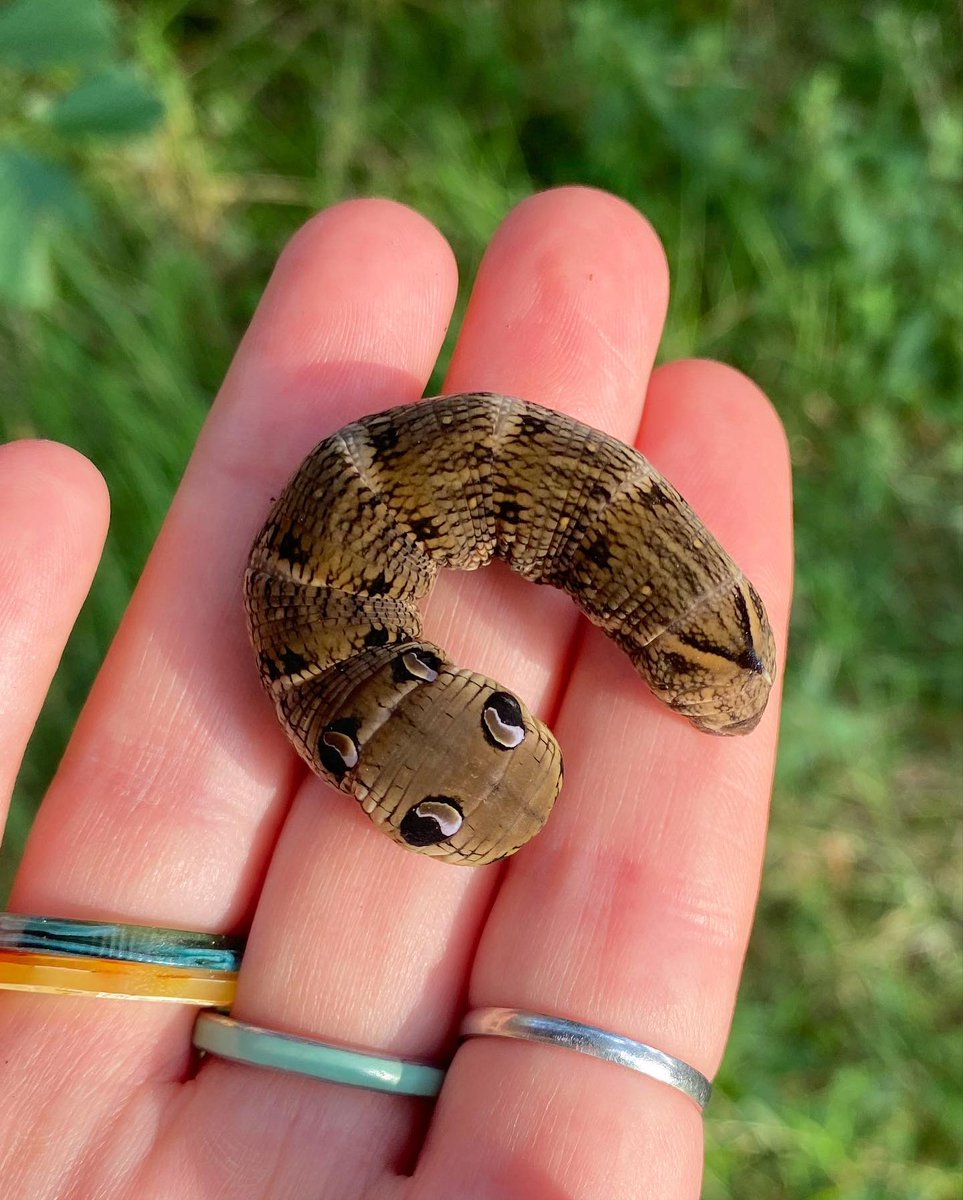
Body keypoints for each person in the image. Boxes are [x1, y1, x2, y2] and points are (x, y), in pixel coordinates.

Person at [0, 187, 792, 1199]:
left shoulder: (350, 580)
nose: (506, 719)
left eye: (499, 717)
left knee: (683, 622)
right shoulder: (337, 643)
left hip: (458, 500)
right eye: (504, 720)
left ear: (407, 687)